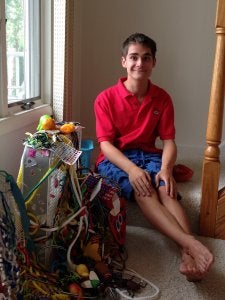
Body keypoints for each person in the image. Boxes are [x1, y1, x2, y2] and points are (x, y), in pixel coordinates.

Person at [94, 32, 213, 281]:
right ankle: (189, 244)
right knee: (143, 187)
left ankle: (186, 255)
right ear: (123, 61)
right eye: (134, 57)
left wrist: (167, 169)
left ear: (153, 63)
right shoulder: (105, 98)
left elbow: (169, 141)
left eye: (146, 58)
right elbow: (105, 145)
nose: (140, 63)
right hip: (118, 158)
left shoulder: (162, 97)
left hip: (148, 154)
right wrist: (133, 170)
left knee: (165, 188)